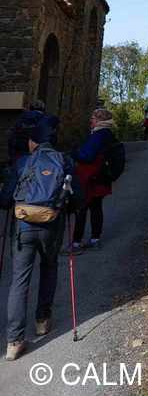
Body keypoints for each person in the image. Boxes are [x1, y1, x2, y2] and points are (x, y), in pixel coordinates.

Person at [1, 124, 82, 360]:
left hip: (24, 227)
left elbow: (5, 200)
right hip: (51, 227)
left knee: (19, 280)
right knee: (49, 268)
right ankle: (42, 321)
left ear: (32, 142)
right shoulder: (64, 161)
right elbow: (77, 198)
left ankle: (14, 342)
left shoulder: (23, 162)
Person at [68, 108, 117, 253]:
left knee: (81, 208)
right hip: (102, 177)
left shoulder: (97, 136)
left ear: (100, 120)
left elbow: (87, 156)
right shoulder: (109, 135)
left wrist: (74, 153)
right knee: (96, 208)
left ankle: (76, 242)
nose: (91, 120)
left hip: (89, 178)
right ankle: (95, 239)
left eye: (93, 118)